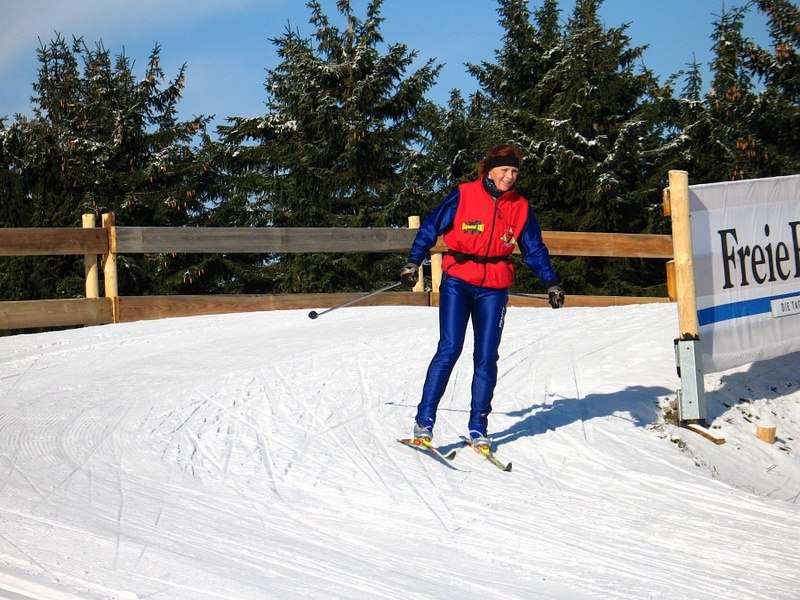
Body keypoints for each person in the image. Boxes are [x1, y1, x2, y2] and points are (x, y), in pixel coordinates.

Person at [399, 144, 564, 449]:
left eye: (514, 171)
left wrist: (551, 282)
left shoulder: (521, 207)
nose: (509, 176)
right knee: (450, 348)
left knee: (486, 357)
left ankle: (479, 427)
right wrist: (413, 261)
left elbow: (534, 248)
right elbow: (431, 227)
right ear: (489, 171)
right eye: (504, 170)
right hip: (458, 281)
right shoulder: (464, 194)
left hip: (494, 287)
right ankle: (424, 423)